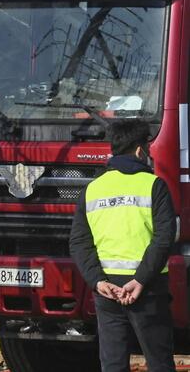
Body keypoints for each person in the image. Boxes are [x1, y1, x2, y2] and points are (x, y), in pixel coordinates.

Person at [69, 119, 177, 372]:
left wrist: (97, 281)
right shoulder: (153, 186)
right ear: (140, 150)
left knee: (113, 363)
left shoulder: (93, 189)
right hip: (147, 288)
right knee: (159, 361)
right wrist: (140, 280)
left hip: (107, 290)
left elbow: (78, 242)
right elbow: (164, 237)